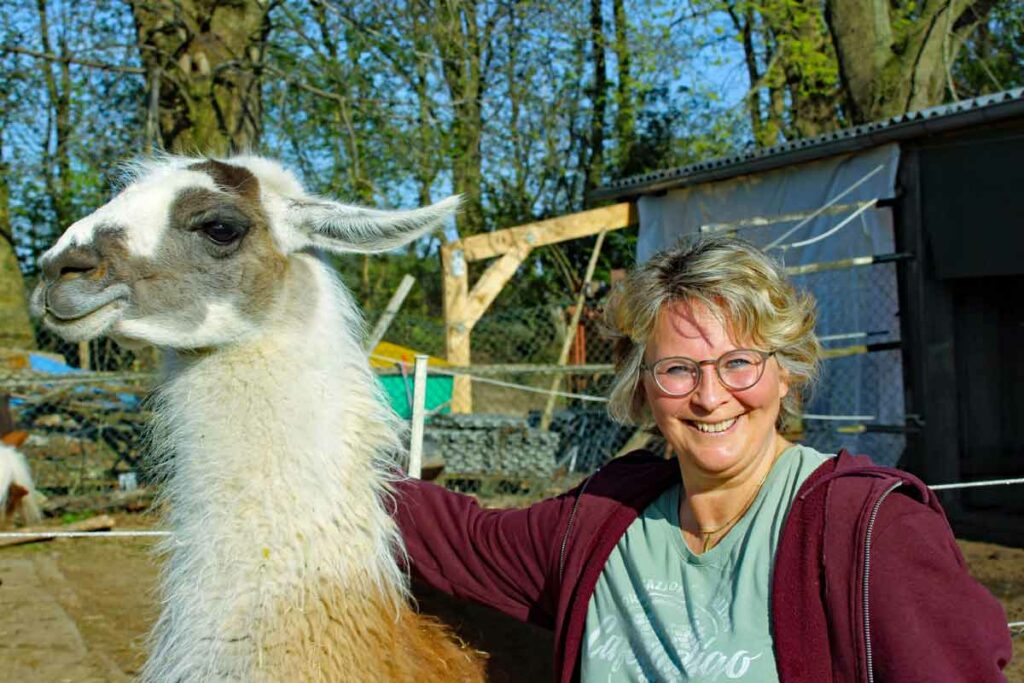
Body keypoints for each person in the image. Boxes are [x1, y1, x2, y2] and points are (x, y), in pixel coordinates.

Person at [393, 235, 1011, 682]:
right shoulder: (603, 523)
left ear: (786, 373)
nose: (711, 396)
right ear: (642, 387)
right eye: (678, 369)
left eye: (738, 362)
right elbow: (462, 539)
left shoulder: (870, 528)